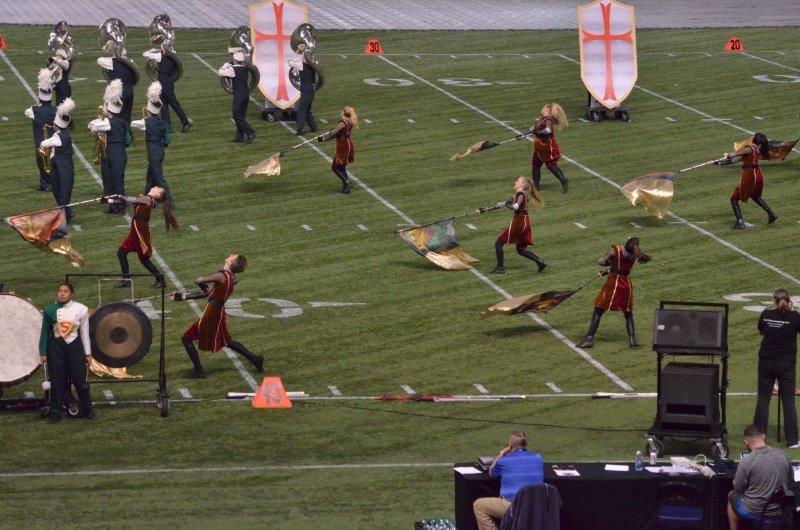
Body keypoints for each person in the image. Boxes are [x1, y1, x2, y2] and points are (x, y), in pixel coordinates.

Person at [181, 254, 263, 378]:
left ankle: (199, 371)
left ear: (231, 262)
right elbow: (207, 293)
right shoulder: (231, 277)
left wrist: (202, 285)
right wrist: (183, 296)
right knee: (227, 341)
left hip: (212, 313)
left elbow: (198, 280)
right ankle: (255, 359)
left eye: (233, 256)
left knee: (186, 338)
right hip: (218, 311)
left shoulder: (222, 276)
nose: (230, 255)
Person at [578, 236, 651, 348]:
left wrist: (609, 259)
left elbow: (601, 262)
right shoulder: (635, 254)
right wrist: (608, 270)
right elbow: (620, 268)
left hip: (614, 284)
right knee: (628, 313)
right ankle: (632, 340)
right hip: (626, 284)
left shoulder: (616, 249)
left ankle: (589, 339)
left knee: (598, 309)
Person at [38, 282, 95, 422]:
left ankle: (88, 410)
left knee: (80, 380)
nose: (62, 293)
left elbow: (84, 333)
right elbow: (44, 332)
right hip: (55, 348)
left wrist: (87, 353)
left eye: (65, 291)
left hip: (75, 348)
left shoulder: (81, 309)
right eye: (60, 291)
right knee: (56, 381)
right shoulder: (49, 310)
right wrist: (43, 353)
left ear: (72, 294)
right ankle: (55, 413)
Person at [753, 288, 800, 448]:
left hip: (766, 362)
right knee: (788, 401)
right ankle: (792, 440)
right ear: (789, 301)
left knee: (763, 398)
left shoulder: (766, 314)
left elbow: (761, 332)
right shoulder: (795, 317)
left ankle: (758, 438)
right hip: (786, 364)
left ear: (774, 301)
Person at [473, 431, 544, 530]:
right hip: (536, 506)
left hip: (514, 506)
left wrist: (502, 453)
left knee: (479, 505)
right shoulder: (538, 458)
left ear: (510, 445)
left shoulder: (505, 460)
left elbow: (491, 471)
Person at [727, 425, 793, 529]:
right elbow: (790, 482)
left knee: (731, 495)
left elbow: (738, 488)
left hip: (753, 510)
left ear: (746, 442)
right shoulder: (784, 456)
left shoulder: (747, 460)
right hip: (780, 509)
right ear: (763, 437)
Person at [110, 187, 173, 289]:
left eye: (158, 188)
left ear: (157, 195)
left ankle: (160, 280)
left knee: (144, 259)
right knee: (121, 252)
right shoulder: (147, 199)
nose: (155, 186)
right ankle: (126, 280)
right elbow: (129, 201)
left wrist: (119, 196)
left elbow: (131, 200)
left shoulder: (148, 199)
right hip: (136, 229)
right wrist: (110, 200)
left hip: (140, 232)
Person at [715, 133, 777, 229]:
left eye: (752, 137)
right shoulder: (755, 148)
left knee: (734, 199)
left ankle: (740, 223)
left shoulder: (750, 148)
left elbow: (734, 155)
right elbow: (733, 160)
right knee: (755, 196)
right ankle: (771, 214)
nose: (750, 137)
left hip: (750, 175)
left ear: (754, 140)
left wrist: (731, 154)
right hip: (757, 175)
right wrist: (718, 162)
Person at [490, 177, 547, 274]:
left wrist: (506, 204)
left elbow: (515, 207)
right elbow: (511, 202)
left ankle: (500, 268)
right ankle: (540, 263)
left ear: (522, 185)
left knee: (499, 243)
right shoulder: (521, 194)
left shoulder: (521, 194)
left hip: (519, 223)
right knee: (520, 249)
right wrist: (499, 205)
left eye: (518, 181)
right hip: (524, 222)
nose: (515, 182)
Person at [131, 81, 175, 207]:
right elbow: (167, 138)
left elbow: (133, 124)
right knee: (150, 176)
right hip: (159, 150)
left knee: (158, 178)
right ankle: (146, 197)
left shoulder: (147, 123)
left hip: (153, 151)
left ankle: (169, 200)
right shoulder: (161, 122)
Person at [89, 79, 129, 214]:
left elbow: (92, 126)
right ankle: (113, 206)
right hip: (113, 153)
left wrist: (101, 118)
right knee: (110, 180)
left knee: (116, 181)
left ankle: (120, 206)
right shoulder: (119, 121)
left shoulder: (109, 122)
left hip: (115, 153)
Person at [39, 98, 76, 223]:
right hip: (60, 165)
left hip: (62, 166)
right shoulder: (64, 135)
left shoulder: (58, 137)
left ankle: (64, 216)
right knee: (57, 189)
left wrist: (45, 137)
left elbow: (44, 143)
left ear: (56, 125)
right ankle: (67, 212)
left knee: (63, 191)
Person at [143, 45, 191, 133]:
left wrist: (155, 50)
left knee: (171, 103)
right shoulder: (175, 57)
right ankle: (168, 126)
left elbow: (145, 54)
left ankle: (183, 123)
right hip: (169, 81)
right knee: (165, 103)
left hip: (163, 81)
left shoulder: (160, 56)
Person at [524, 103, 569, 193]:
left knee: (551, 165)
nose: (542, 108)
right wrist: (522, 134)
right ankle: (536, 185)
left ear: (547, 110)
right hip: (540, 145)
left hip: (548, 145)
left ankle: (564, 180)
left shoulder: (548, 120)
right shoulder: (540, 119)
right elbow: (532, 129)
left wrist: (538, 133)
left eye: (544, 107)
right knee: (536, 164)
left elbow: (548, 131)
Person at [25, 68, 56, 192]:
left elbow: (26, 112)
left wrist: (39, 104)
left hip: (40, 143)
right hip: (53, 142)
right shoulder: (55, 110)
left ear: (40, 98)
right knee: (52, 162)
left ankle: (44, 184)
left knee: (41, 162)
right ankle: (53, 183)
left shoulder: (33, 110)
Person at [316, 106, 357, 194]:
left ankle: (347, 183)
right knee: (341, 166)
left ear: (343, 113)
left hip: (343, 146)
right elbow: (336, 134)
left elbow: (334, 133)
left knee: (335, 167)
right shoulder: (349, 121)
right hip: (346, 144)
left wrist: (323, 138)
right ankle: (346, 186)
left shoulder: (342, 123)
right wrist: (324, 138)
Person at [218, 50, 255, 143]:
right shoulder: (245, 68)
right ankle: (239, 135)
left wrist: (225, 65)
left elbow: (220, 72)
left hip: (239, 94)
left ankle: (250, 132)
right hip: (246, 93)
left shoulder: (233, 70)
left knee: (237, 116)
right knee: (241, 115)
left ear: (234, 59)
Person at [97, 48, 138, 124]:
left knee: (114, 115)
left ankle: (117, 130)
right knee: (127, 116)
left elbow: (99, 60)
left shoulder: (111, 62)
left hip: (118, 93)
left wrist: (111, 54)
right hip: (130, 91)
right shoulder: (131, 61)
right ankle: (127, 131)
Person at [289, 43, 318, 135]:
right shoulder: (313, 65)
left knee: (301, 109)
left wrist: (299, 50)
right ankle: (313, 128)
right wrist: (303, 50)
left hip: (306, 88)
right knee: (307, 109)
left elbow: (290, 62)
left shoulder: (302, 65)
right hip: (311, 89)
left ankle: (300, 129)